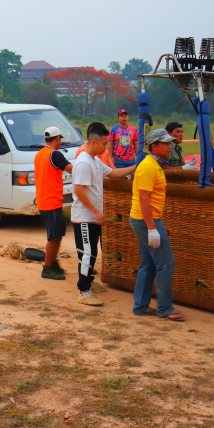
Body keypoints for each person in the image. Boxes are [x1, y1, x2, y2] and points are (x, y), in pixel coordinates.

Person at [72, 123, 135, 306]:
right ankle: (83, 291)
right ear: (94, 142)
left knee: (92, 251)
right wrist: (94, 211)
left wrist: (134, 167)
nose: (106, 147)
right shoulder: (84, 162)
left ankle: (89, 282)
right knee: (87, 252)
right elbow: (78, 190)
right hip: (84, 217)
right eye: (104, 144)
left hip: (93, 216)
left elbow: (113, 173)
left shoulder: (96, 160)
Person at [130, 128, 186, 321]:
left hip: (144, 220)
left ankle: (141, 306)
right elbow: (144, 200)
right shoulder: (148, 167)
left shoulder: (154, 164)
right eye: (166, 143)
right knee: (166, 262)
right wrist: (152, 228)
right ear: (155, 146)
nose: (170, 146)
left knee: (150, 263)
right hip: (147, 220)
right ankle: (165, 308)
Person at [35, 126, 74, 281]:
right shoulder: (55, 155)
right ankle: (47, 267)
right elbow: (71, 169)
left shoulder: (39, 154)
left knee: (57, 233)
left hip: (44, 200)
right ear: (57, 139)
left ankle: (53, 262)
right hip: (51, 202)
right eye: (60, 139)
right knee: (53, 236)